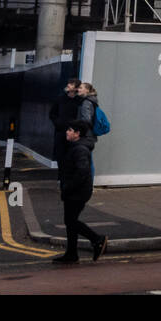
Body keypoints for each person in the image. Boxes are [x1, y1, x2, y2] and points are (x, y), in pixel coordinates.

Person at [52, 121, 106, 264]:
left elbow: (82, 171)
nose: (67, 132)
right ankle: (71, 254)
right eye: (67, 130)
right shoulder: (74, 147)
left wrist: (68, 186)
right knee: (70, 222)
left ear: (77, 134)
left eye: (70, 130)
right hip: (74, 190)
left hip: (78, 192)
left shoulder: (80, 149)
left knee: (71, 221)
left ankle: (97, 239)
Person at [49, 78, 83, 165]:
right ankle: (61, 178)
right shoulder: (60, 98)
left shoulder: (80, 101)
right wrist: (58, 123)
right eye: (68, 83)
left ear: (76, 88)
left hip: (74, 134)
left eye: (71, 84)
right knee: (60, 157)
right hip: (61, 132)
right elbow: (52, 114)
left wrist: (76, 128)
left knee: (72, 156)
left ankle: (68, 178)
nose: (68, 85)